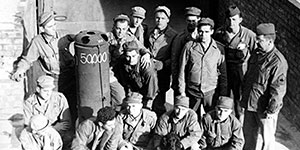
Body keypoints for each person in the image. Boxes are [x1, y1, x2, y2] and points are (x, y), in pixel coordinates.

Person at [10, 11, 77, 122]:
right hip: (55, 79)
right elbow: (27, 60)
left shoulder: (64, 35)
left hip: (71, 75)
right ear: (42, 29)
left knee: (73, 104)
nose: (54, 28)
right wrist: (19, 70)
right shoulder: (37, 42)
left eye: (54, 25)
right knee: (55, 107)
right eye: (50, 26)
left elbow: (77, 37)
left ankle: (73, 131)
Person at [241, 23, 288, 150]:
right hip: (251, 104)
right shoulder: (257, 53)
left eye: (260, 40)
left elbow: (278, 90)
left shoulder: (277, 62)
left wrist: (271, 110)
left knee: (267, 141)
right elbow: (249, 77)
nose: (256, 42)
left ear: (270, 41)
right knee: (248, 137)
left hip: (265, 109)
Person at [213, 4, 256, 123]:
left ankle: (238, 127)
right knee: (223, 100)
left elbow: (256, 56)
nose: (231, 23)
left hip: (240, 72)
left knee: (239, 102)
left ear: (240, 20)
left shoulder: (249, 35)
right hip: (224, 71)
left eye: (234, 19)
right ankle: (223, 126)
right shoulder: (220, 33)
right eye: (229, 19)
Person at [178, 18, 227, 117]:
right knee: (191, 119)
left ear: (212, 32)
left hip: (210, 92)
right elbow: (182, 70)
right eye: (200, 32)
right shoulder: (189, 47)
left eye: (206, 32)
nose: (203, 35)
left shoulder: (218, 49)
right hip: (193, 91)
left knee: (211, 119)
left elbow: (223, 73)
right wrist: (182, 91)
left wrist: (223, 94)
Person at [106, 14, 151, 110]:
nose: (120, 32)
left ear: (127, 28)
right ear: (113, 27)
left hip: (125, 73)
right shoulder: (107, 38)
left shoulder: (130, 38)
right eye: (118, 28)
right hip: (111, 72)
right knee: (119, 97)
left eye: (123, 29)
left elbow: (142, 48)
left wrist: (146, 54)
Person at [23, 75, 73, 148]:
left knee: (69, 138)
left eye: (50, 90)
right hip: (38, 136)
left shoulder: (59, 98)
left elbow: (66, 123)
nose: (48, 93)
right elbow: (28, 126)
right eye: (45, 91)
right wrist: (51, 129)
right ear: (38, 89)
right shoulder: (29, 103)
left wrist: (52, 132)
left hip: (58, 133)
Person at [145, 6, 178, 117]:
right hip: (149, 69)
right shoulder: (149, 32)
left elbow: (174, 56)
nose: (159, 21)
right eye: (157, 18)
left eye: (163, 18)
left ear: (168, 19)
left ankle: (159, 123)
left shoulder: (173, 35)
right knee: (148, 97)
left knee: (159, 100)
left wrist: (163, 64)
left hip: (163, 72)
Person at [114, 41, 158, 108]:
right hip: (135, 86)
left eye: (133, 56)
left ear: (138, 54)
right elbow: (123, 78)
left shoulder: (147, 67)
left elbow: (151, 87)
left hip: (151, 88)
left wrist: (148, 102)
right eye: (128, 56)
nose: (131, 59)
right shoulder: (122, 60)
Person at [171, 7, 201, 96]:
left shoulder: (203, 36)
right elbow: (175, 60)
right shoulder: (180, 38)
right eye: (189, 21)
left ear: (198, 19)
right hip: (182, 77)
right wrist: (176, 81)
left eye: (193, 21)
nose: (191, 23)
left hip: (196, 81)